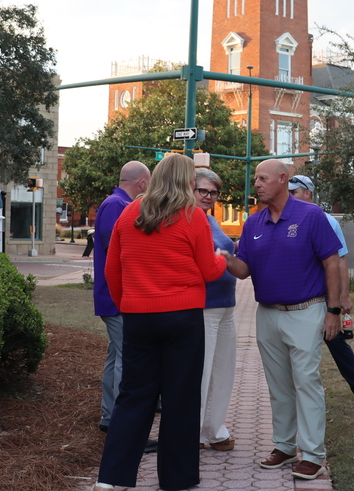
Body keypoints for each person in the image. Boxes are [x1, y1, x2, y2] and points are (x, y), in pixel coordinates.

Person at [93, 153, 227, 491]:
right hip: (183, 318)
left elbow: (112, 269)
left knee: (133, 396)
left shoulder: (129, 213)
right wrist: (222, 259)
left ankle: (110, 479)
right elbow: (209, 271)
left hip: (138, 317)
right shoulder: (193, 216)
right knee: (181, 398)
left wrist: (128, 304)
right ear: (186, 181)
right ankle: (177, 479)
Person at [220, 159, 343, 482]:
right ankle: (285, 446)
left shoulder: (311, 215)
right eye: (256, 179)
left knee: (306, 382)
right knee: (278, 386)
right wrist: (225, 258)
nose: (257, 184)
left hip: (306, 311)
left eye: (263, 178)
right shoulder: (253, 222)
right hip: (268, 313)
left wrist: (334, 311)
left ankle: (312, 455)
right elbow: (243, 270)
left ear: (283, 179)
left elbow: (332, 263)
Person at [288, 174, 354, 406]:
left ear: (307, 193)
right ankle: (295, 393)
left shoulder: (327, 221)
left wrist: (343, 296)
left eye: (293, 193)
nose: (289, 197)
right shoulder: (285, 219)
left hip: (324, 297)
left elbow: (340, 261)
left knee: (335, 341)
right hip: (296, 298)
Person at [91, 161, 151, 434]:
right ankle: (122, 424)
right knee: (126, 359)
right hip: (117, 296)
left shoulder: (115, 203)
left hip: (114, 296)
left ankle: (110, 416)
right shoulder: (118, 205)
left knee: (116, 355)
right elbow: (118, 250)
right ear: (142, 183)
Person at [193, 168, 238, 451]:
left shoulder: (211, 220)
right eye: (203, 191)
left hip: (226, 305)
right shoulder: (188, 218)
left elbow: (223, 252)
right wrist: (222, 257)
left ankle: (214, 429)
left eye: (214, 192)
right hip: (204, 307)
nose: (209, 196)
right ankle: (193, 431)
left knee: (223, 371)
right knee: (202, 372)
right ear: (189, 189)